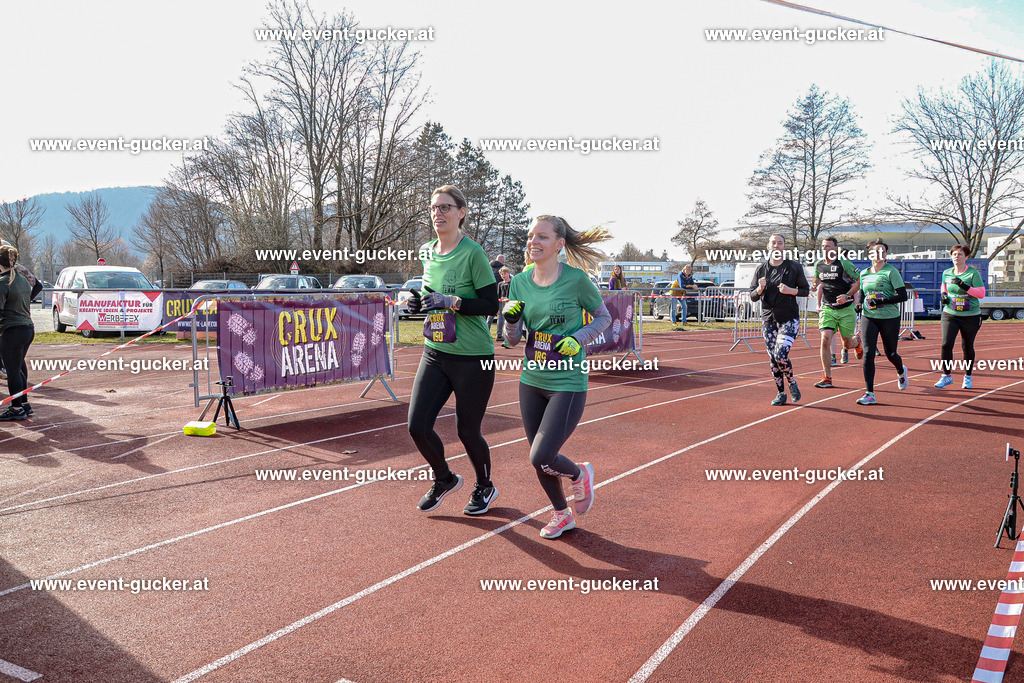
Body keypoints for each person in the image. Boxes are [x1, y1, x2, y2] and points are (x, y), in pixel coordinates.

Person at [502, 215, 611, 539]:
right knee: (540, 459)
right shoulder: (519, 282)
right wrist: (510, 322)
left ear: (559, 245)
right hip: (531, 380)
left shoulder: (576, 280)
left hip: (567, 381)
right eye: (531, 236)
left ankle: (579, 474)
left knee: (541, 454)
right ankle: (562, 514)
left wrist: (577, 338)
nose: (533, 242)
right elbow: (512, 339)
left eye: (543, 237)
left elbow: (603, 317)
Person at [407, 185, 500, 515]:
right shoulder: (426, 251)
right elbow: (429, 295)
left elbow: (492, 305)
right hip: (435, 351)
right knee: (417, 426)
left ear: (461, 212)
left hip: (473, 357)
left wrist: (455, 302)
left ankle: (485, 486)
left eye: (446, 208)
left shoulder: (473, 253)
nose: (438, 214)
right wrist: (417, 301)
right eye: (434, 208)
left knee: (467, 430)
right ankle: (444, 478)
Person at [748, 233, 809, 406]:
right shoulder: (761, 269)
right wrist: (760, 289)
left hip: (789, 318)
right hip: (768, 319)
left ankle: (792, 383)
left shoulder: (794, 267)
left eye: (780, 243)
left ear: (784, 247)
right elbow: (752, 296)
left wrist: (791, 290)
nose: (776, 246)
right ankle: (780, 393)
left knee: (780, 354)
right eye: (773, 243)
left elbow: (805, 290)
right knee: (773, 359)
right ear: (768, 246)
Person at [856, 239, 909, 405]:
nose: (879, 254)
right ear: (870, 254)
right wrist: (859, 303)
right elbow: (863, 293)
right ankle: (869, 393)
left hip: (889, 317)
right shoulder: (864, 273)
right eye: (875, 251)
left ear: (886, 255)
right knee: (868, 353)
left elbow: (903, 296)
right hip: (869, 316)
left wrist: (882, 301)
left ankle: (901, 370)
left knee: (890, 353)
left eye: (883, 252)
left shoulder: (891, 272)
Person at [811, 237, 864, 388]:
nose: (825, 248)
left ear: (835, 248)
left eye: (828, 246)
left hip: (846, 309)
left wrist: (847, 295)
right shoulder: (819, 264)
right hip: (828, 308)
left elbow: (861, 280)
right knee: (825, 339)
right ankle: (827, 376)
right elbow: (817, 280)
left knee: (846, 344)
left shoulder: (844, 263)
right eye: (823, 246)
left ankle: (856, 342)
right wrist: (814, 285)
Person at [934, 244, 985, 389]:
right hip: (950, 313)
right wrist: (943, 294)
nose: (957, 256)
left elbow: (981, 294)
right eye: (954, 254)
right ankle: (946, 376)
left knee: (967, 346)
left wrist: (964, 286)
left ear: (966, 257)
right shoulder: (947, 272)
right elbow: (944, 285)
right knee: (946, 344)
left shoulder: (973, 273)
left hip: (970, 315)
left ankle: (967, 376)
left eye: (960, 254)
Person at [0, 245, 36, 420]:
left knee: (13, 371)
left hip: (13, 331)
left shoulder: (3, 282)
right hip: (28, 328)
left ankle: (16, 409)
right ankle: (24, 404)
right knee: (18, 367)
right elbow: (37, 286)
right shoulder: (21, 279)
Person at [486, 254, 506, 330]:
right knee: (500, 315)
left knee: (490, 315)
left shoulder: (488, 267)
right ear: (502, 261)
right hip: (501, 295)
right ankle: (499, 334)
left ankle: (486, 332)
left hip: (489, 294)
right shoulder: (503, 270)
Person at [495, 266, 511, 342]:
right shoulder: (500, 284)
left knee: (508, 319)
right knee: (500, 319)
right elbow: (498, 295)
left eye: (505, 273)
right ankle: (499, 335)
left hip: (509, 302)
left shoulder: (512, 282)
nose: (503, 276)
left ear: (509, 273)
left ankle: (509, 335)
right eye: (501, 274)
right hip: (502, 302)